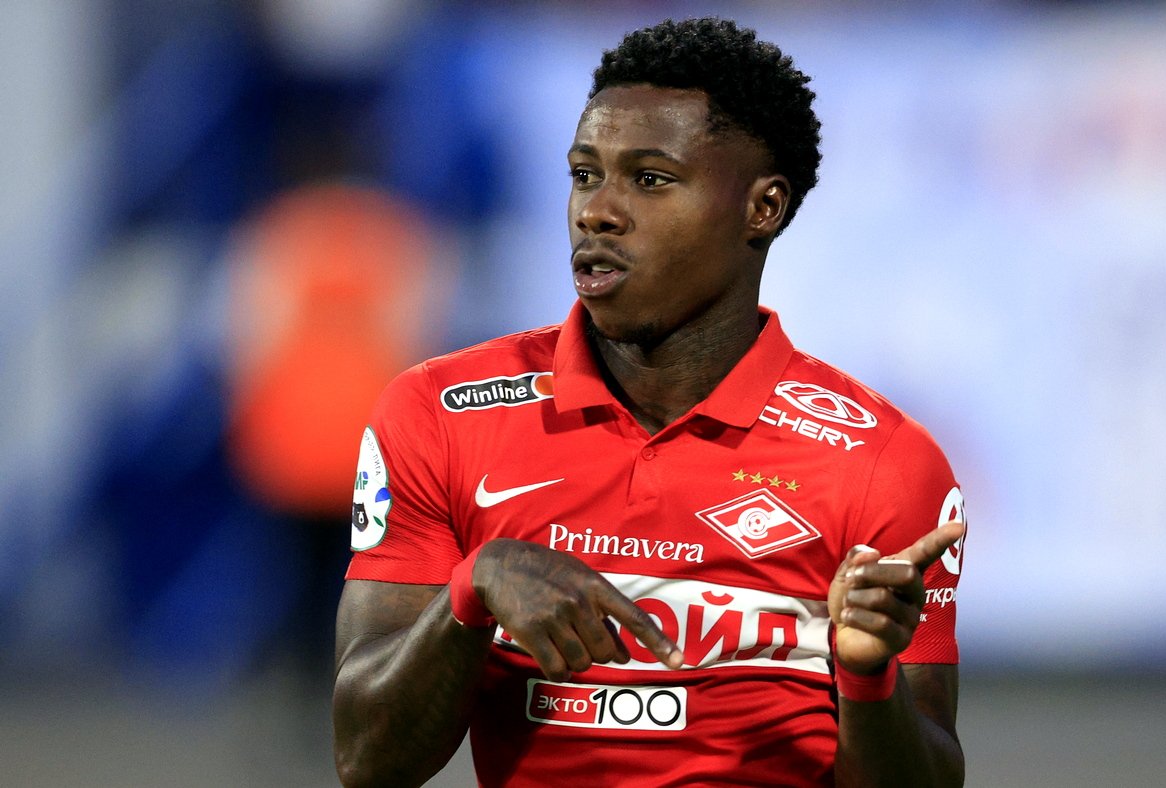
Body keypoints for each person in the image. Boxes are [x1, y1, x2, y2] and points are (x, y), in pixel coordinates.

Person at [333, 17, 968, 788]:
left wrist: (867, 678)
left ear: (762, 208)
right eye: (584, 174)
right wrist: (472, 591)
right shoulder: (440, 414)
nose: (596, 211)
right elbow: (366, 759)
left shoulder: (883, 463)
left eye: (650, 179)